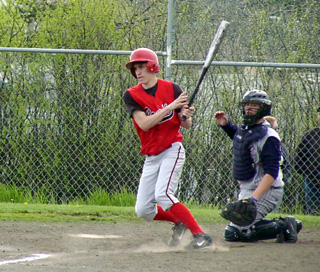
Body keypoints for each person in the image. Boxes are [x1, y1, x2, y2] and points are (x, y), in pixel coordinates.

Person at [122, 48, 212, 249]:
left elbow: (186, 124)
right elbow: (144, 124)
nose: (138, 72)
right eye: (135, 68)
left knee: (164, 194)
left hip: (172, 148)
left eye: (142, 67)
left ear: (153, 66)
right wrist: (170, 108)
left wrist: (185, 115)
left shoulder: (172, 89)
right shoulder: (131, 95)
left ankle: (201, 236)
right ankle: (179, 221)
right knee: (143, 210)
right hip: (151, 154)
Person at [214, 89, 302, 243]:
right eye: (246, 105)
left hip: (268, 190)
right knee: (240, 227)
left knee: (234, 233)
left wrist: (253, 199)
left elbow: (271, 173)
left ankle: (285, 225)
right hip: (248, 188)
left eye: (253, 105)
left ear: (263, 108)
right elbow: (242, 141)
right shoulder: (248, 129)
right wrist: (226, 126)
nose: (248, 108)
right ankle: (282, 225)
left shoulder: (269, 137)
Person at [294, 106, 320, 215]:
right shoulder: (311, 135)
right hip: (312, 182)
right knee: (313, 211)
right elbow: (298, 157)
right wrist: (307, 173)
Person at [264, 116, 292, 183]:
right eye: (274, 128)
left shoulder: (280, 146)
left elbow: (287, 165)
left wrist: (284, 180)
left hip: (277, 183)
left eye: (277, 128)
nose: (277, 131)